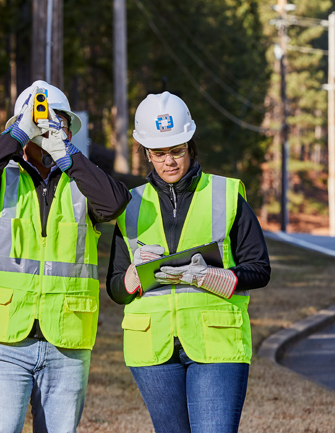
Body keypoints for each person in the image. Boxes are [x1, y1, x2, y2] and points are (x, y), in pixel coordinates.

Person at [0, 80, 131, 433]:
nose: (46, 126)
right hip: (4, 338)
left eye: (57, 121)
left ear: (68, 129)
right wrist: (19, 136)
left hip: (66, 342)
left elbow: (114, 203)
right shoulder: (0, 178)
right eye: (37, 120)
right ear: (20, 125)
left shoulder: (82, 180)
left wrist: (68, 156)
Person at [106, 91, 271, 433]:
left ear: (190, 146)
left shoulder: (226, 194)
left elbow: (259, 268)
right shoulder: (130, 204)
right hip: (153, 347)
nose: (169, 161)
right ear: (147, 153)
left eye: (177, 151)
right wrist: (134, 275)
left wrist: (213, 277)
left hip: (217, 343)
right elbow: (115, 286)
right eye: (159, 153)